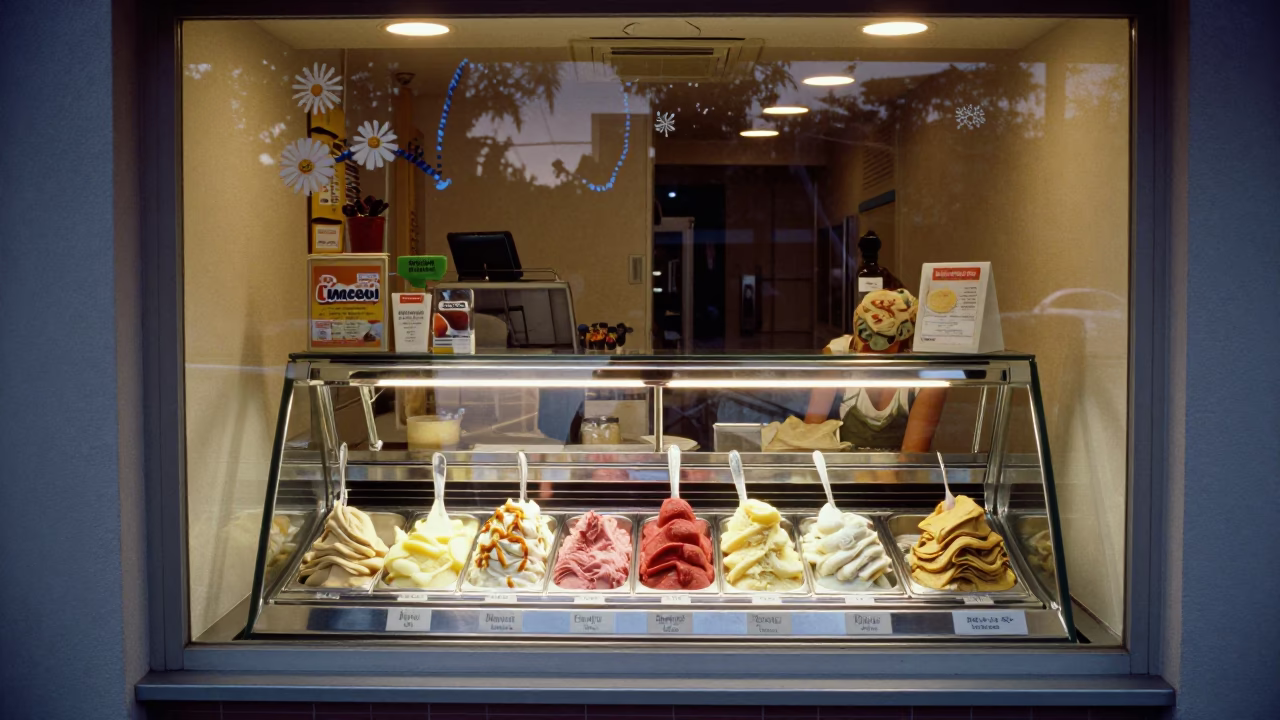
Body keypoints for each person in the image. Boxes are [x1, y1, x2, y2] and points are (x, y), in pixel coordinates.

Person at [804, 288, 947, 453]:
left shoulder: (928, 376)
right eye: (865, 340)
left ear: (903, 338)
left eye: (882, 343)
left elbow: (912, 456)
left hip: (899, 474)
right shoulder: (838, 356)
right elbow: (812, 435)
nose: (869, 352)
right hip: (840, 471)